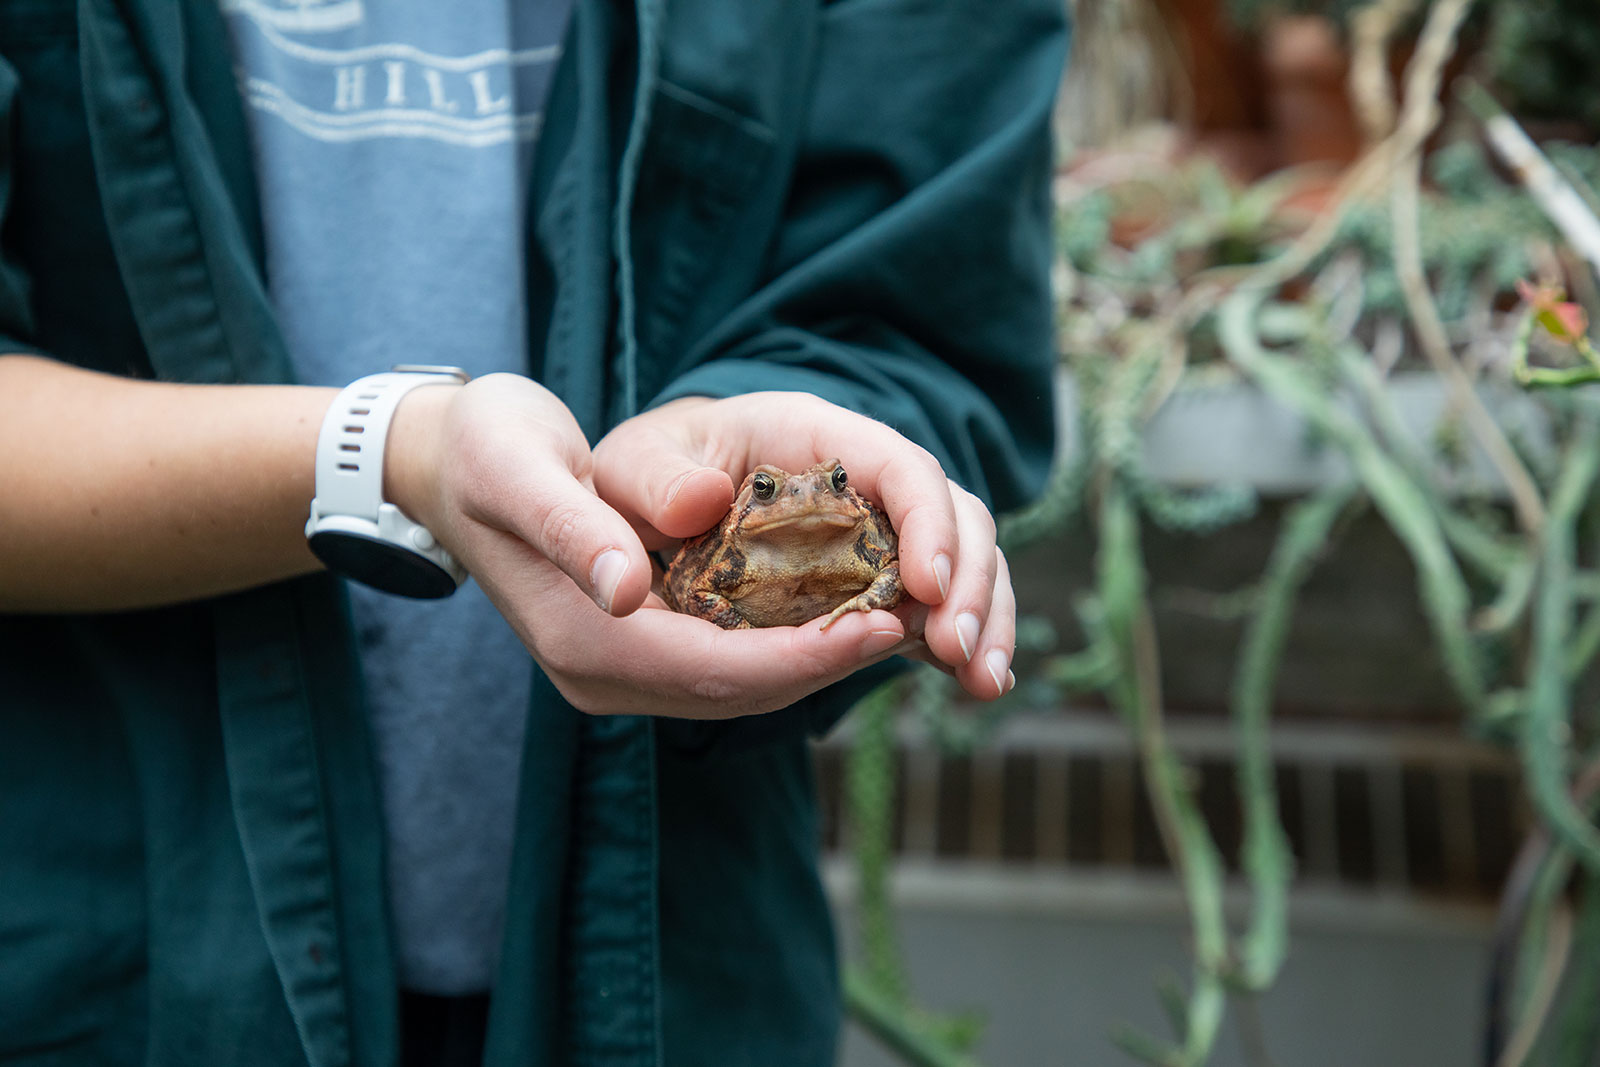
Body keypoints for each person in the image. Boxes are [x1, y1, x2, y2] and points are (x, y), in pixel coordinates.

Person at [0, 0, 1067, 1064]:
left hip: (671, 943)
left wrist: (827, 442)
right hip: (114, 943)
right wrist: (393, 452)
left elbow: (915, 298)